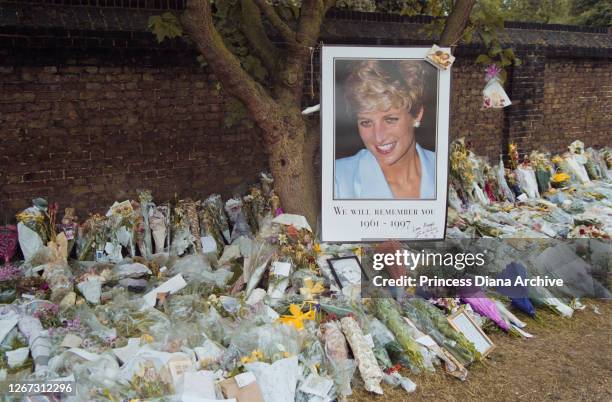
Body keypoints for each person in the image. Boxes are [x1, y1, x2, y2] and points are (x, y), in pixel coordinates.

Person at [335, 60, 436, 199]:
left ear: (417, 114)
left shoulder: (447, 171)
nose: (378, 137)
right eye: (366, 122)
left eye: (390, 120)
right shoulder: (338, 178)